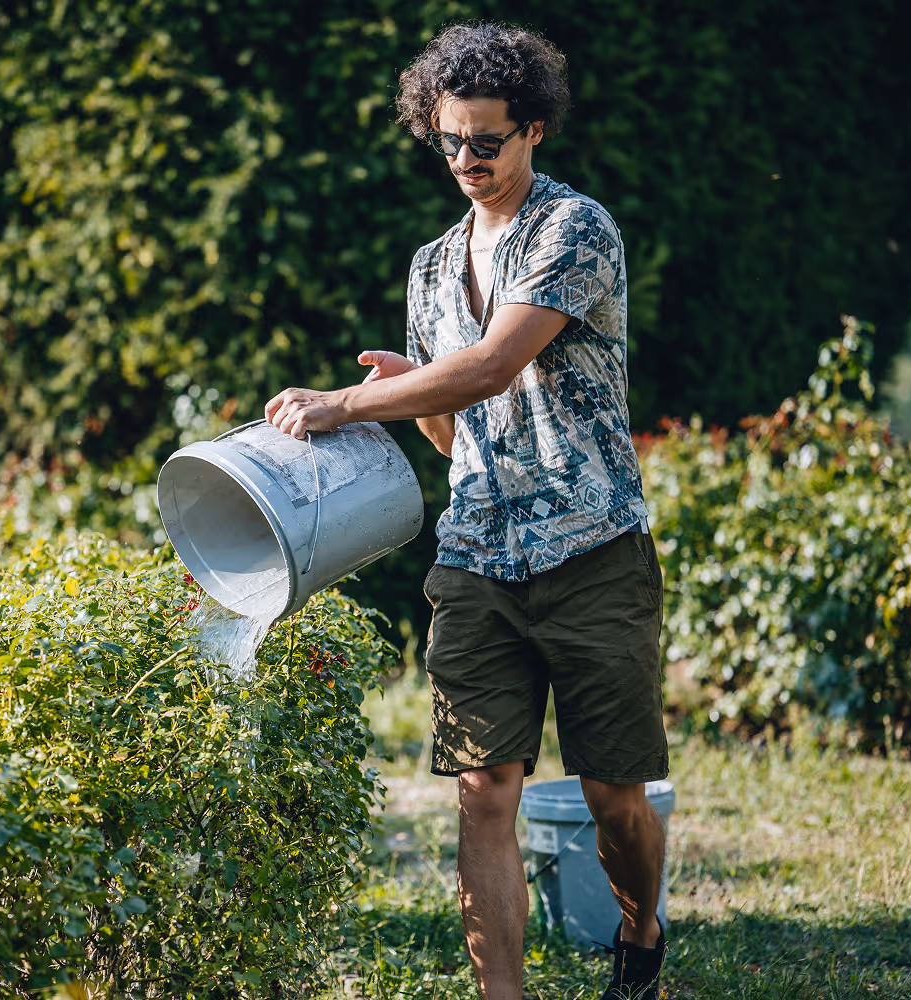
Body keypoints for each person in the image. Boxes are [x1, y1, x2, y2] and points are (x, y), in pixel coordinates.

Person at [264, 23, 668, 1000]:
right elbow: (456, 434)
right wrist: (413, 393)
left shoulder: (574, 229)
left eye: (487, 140)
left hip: (592, 550)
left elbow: (492, 365)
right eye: (448, 140)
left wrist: (347, 404)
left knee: (613, 796)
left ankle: (641, 926)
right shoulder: (431, 267)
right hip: (478, 556)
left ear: (534, 130)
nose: (465, 160)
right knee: (484, 791)